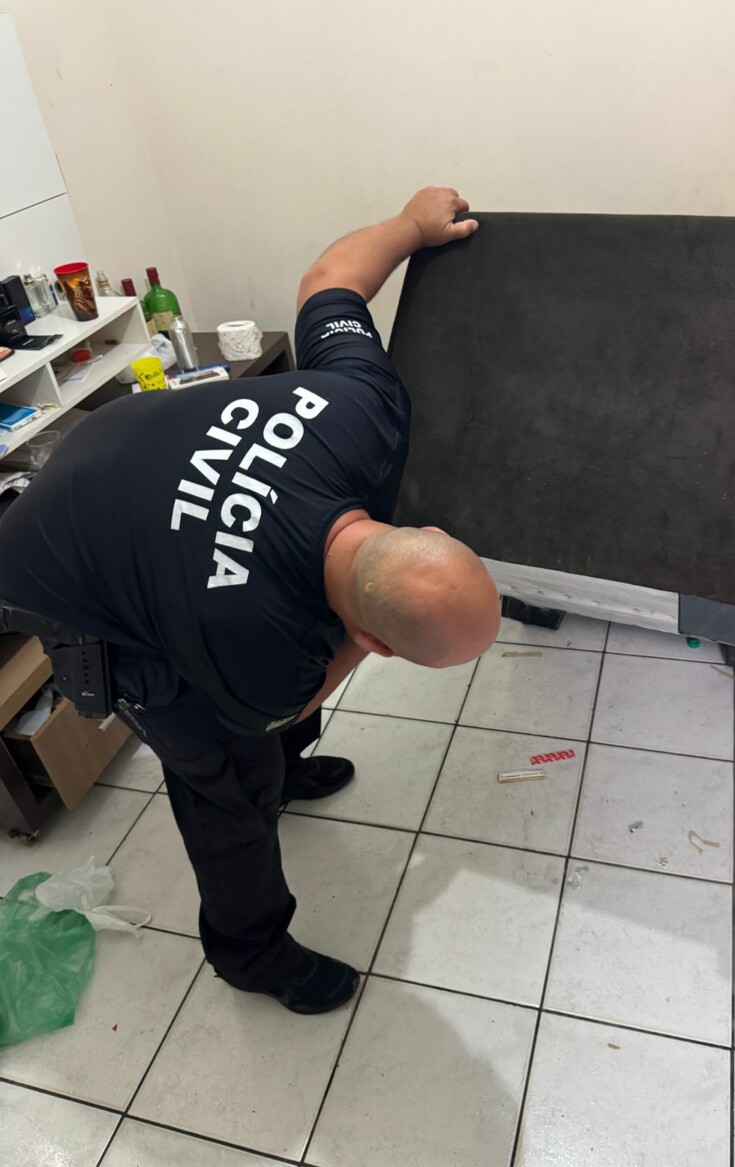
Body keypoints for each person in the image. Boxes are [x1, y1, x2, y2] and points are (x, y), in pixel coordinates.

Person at [0, 187, 500, 1015]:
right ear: (377, 643)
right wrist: (335, 657)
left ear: (431, 530)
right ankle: (253, 954)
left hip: (123, 456)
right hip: (60, 563)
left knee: (296, 662)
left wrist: (412, 225)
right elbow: (281, 699)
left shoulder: (366, 411)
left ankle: (289, 773)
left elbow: (329, 279)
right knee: (227, 781)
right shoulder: (251, 639)